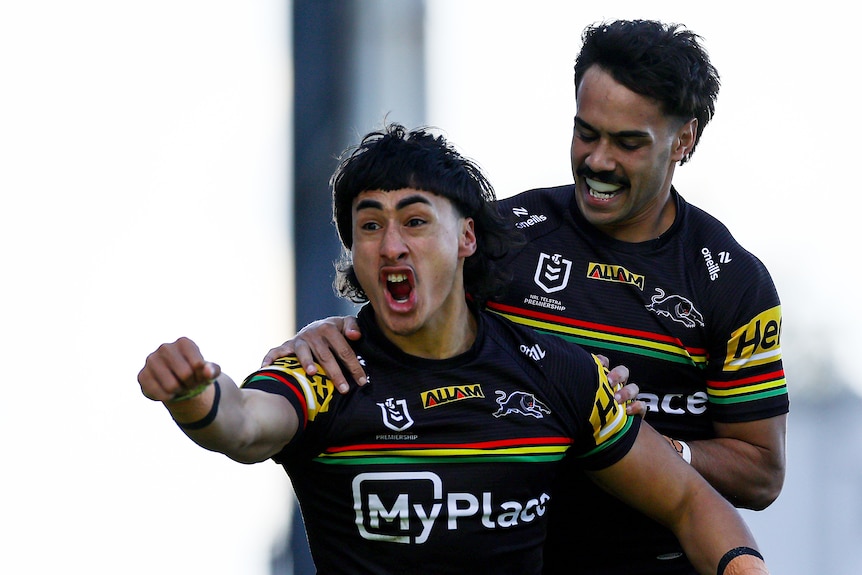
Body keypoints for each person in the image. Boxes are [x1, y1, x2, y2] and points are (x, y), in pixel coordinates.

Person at [262, 20, 789, 575]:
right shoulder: (504, 235)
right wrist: (324, 335)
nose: (599, 161)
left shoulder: (731, 282)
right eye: (586, 133)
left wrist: (638, 437)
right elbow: (403, 323)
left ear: (685, 140)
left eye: (628, 143)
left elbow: (761, 474)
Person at [139, 123, 772, 575]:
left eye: (415, 221)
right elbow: (245, 424)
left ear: (467, 237)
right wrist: (197, 397)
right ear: (354, 255)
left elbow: (691, 501)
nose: (391, 245)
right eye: (369, 225)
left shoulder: (558, 374)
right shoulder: (327, 368)